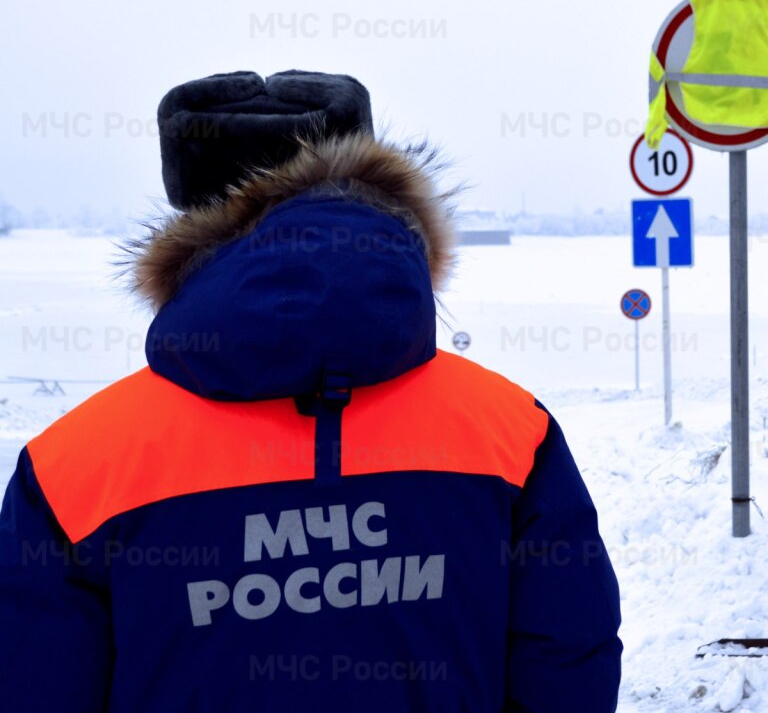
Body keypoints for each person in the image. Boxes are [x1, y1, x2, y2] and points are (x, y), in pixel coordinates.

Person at [0, 70, 622, 711]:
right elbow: (568, 659)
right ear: (381, 196)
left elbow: (32, 682)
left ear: (186, 225)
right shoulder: (510, 434)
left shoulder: (75, 466)